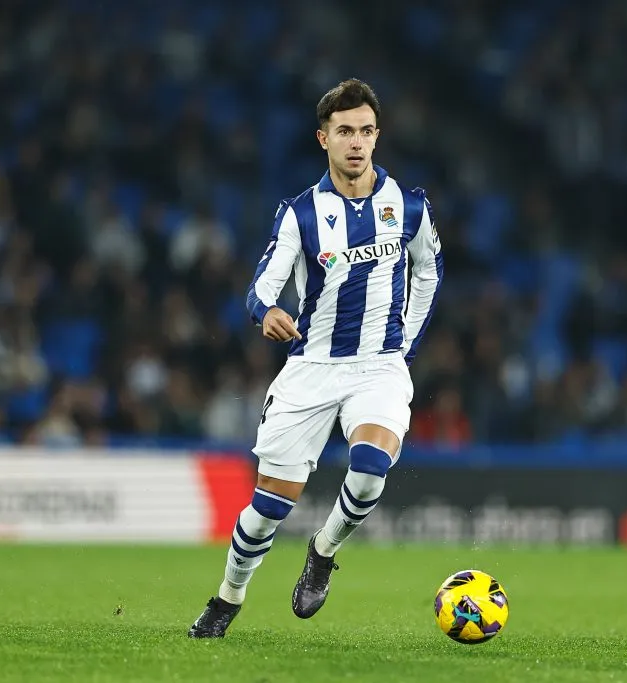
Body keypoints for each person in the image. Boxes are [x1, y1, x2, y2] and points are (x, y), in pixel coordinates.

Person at [188, 78, 444, 638]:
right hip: (311, 369)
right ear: (323, 138)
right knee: (268, 510)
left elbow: (428, 271)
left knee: (373, 465)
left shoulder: (411, 207)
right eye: (345, 131)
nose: (357, 143)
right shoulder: (299, 214)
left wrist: (407, 342)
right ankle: (228, 597)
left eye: (367, 131)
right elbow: (262, 286)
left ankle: (323, 552)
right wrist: (266, 312)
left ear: (378, 137)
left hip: (378, 366)